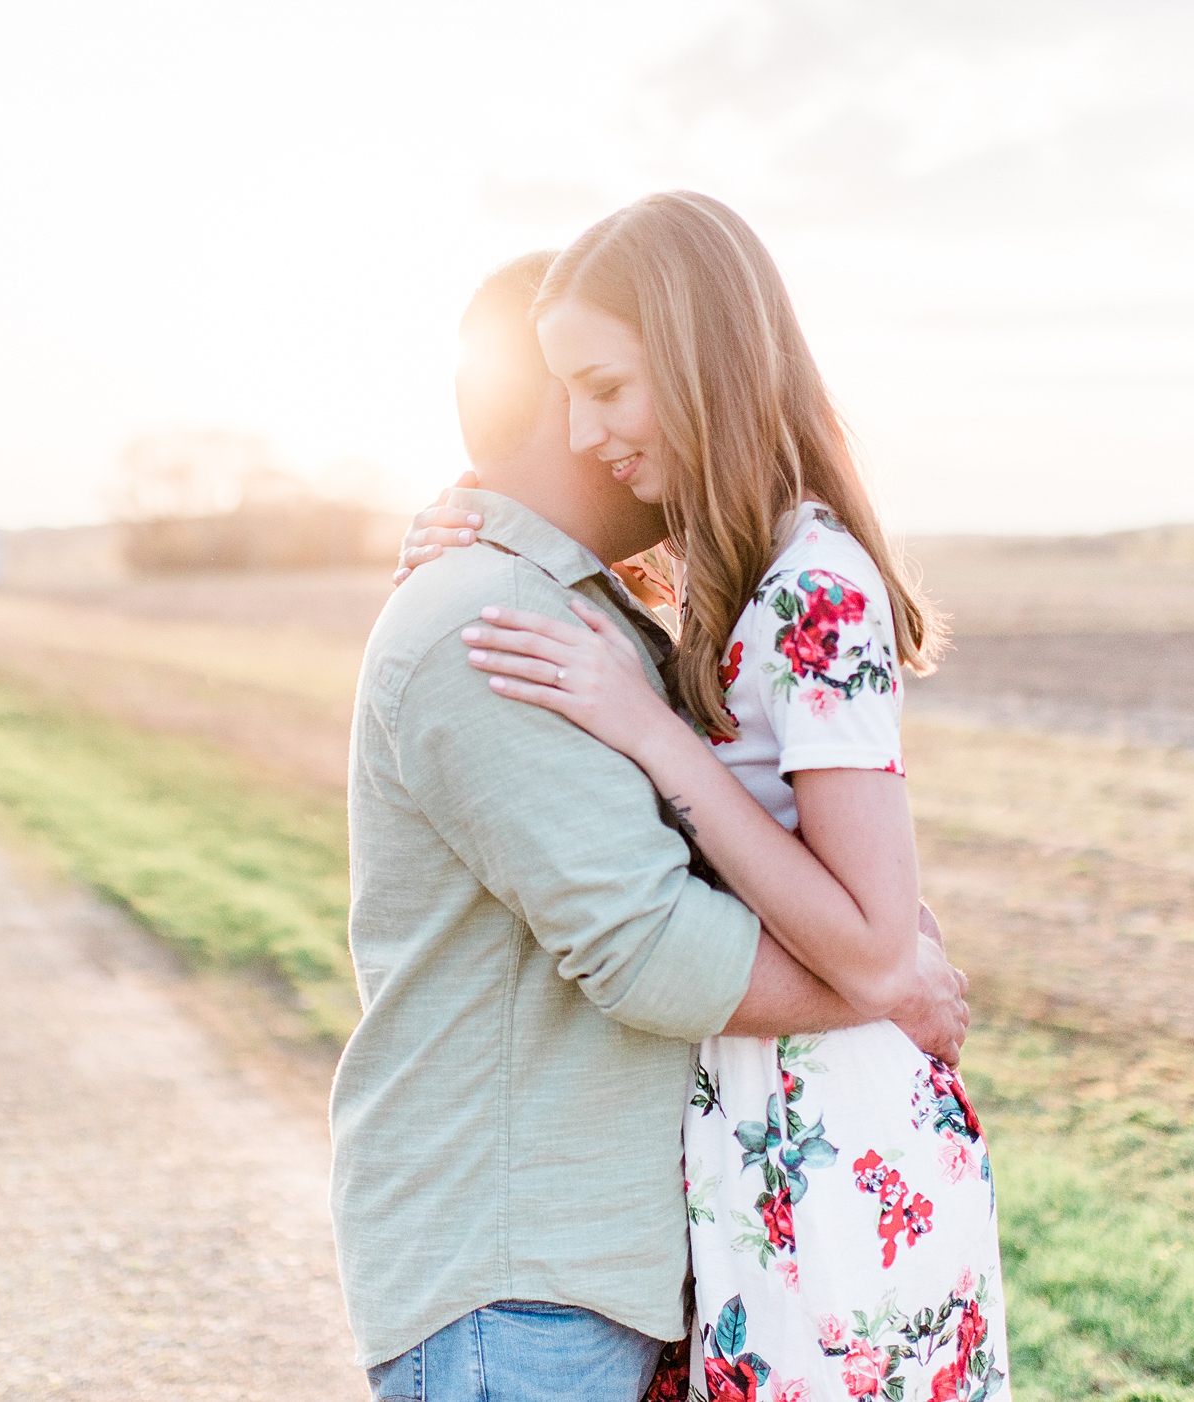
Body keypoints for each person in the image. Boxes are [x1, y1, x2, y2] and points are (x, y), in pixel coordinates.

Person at [333, 245, 971, 1402]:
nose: (599, 433)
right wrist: (891, 983)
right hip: (517, 1289)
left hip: (581, 1276)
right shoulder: (492, 621)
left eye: (613, 388)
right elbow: (653, 950)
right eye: (579, 391)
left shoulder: (584, 609)